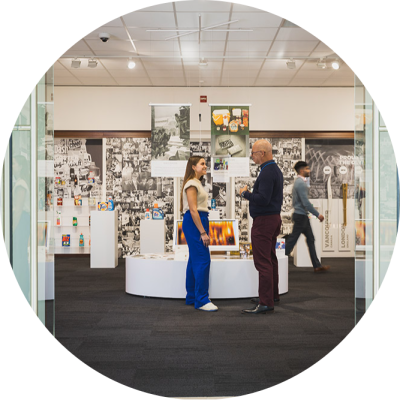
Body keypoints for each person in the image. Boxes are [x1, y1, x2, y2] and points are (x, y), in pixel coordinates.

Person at [239, 139, 283, 315]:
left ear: (262, 153)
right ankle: (272, 295)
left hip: (264, 222)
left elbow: (263, 199)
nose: (252, 155)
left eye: (254, 153)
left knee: (263, 262)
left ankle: (266, 302)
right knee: (271, 259)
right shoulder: (274, 170)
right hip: (273, 219)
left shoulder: (266, 172)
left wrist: (246, 194)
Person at [181, 156, 217, 312]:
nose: (205, 165)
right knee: (203, 259)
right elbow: (193, 209)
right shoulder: (191, 184)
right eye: (202, 163)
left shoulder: (196, 183)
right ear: (193, 167)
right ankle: (202, 300)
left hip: (199, 220)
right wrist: (203, 232)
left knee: (194, 259)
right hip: (195, 221)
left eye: (205, 163)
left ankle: (192, 296)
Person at [284, 161, 330, 273]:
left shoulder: (299, 182)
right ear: (301, 170)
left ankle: (317, 265)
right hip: (301, 216)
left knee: (310, 239)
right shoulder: (300, 183)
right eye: (307, 169)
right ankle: (276, 262)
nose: (309, 171)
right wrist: (318, 214)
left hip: (302, 216)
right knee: (292, 241)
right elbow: (305, 203)